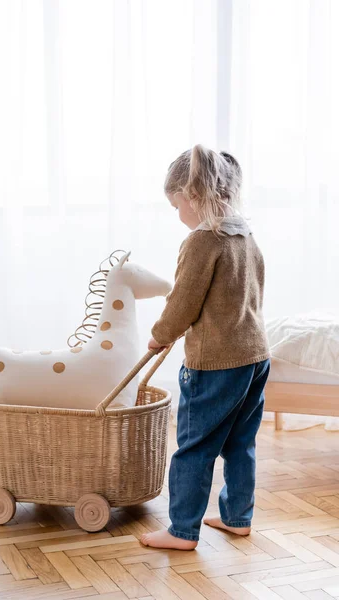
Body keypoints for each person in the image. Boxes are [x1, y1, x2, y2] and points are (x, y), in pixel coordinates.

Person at [141, 144, 270, 550]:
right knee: (240, 443)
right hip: (254, 356)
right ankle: (237, 516)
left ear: (193, 196)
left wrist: (161, 333)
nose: (178, 215)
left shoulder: (201, 241)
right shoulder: (244, 235)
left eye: (177, 204)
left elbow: (183, 300)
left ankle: (182, 530)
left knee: (194, 446)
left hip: (215, 363)